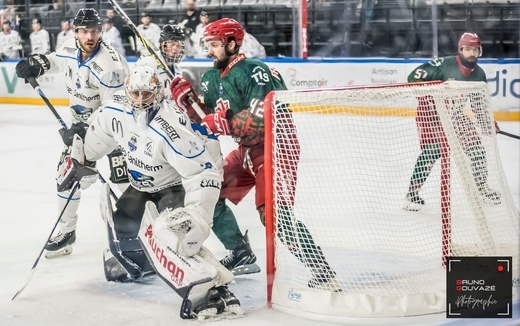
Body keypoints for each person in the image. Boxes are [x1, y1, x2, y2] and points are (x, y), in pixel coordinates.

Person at [56, 62, 244, 319]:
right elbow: (98, 136)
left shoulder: (170, 127)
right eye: (136, 94)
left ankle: (213, 290)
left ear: (159, 92)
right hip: (141, 185)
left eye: (147, 94)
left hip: (174, 186)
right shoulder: (116, 109)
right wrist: (81, 159)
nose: (141, 100)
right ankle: (140, 264)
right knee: (121, 230)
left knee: (173, 235)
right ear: (127, 90)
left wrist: (198, 215)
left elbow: (203, 172)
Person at [169, 18, 341, 290]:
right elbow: (209, 119)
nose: (209, 51)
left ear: (232, 43)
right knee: (209, 192)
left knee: (273, 216)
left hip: (276, 147)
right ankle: (240, 252)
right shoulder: (212, 77)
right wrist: (188, 104)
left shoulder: (255, 70)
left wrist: (225, 123)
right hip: (246, 150)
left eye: (214, 45)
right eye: (208, 45)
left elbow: (263, 116)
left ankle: (321, 270)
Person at [15, 8, 130, 258]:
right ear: (76, 31)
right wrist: (36, 63)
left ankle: (142, 229)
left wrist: (84, 130)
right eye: (84, 31)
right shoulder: (69, 47)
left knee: (124, 183)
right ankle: (66, 231)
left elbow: (114, 110)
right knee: (66, 174)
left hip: (114, 131)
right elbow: (56, 60)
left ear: (100, 32)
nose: (89, 36)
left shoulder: (110, 66)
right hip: (82, 128)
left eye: (94, 31)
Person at [403, 32, 501, 211]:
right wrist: (433, 93)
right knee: (432, 152)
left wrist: (487, 122)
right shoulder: (443, 64)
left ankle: (482, 188)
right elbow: (413, 77)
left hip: (455, 115)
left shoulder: (479, 74)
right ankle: (412, 193)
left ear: (480, 51)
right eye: (468, 49)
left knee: (476, 149)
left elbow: (478, 104)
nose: (472, 53)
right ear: (460, 50)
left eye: (475, 50)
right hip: (431, 115)